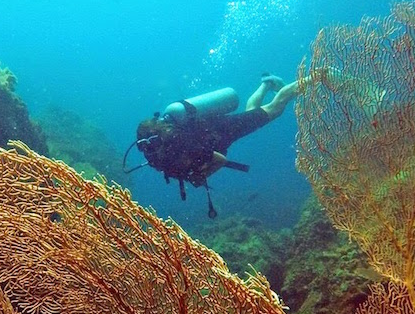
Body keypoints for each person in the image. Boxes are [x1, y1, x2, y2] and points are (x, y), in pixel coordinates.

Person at [124, 73, 301, 217]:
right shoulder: (157, 157)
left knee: (274, 109)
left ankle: (317, 75)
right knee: (253, 114)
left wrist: (201, 175)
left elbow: (220, 160)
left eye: (153, 144)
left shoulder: (181, 145)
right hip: (220, 134)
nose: (150, 150)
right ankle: (267, 83)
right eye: (145, 147)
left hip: (223, 129)